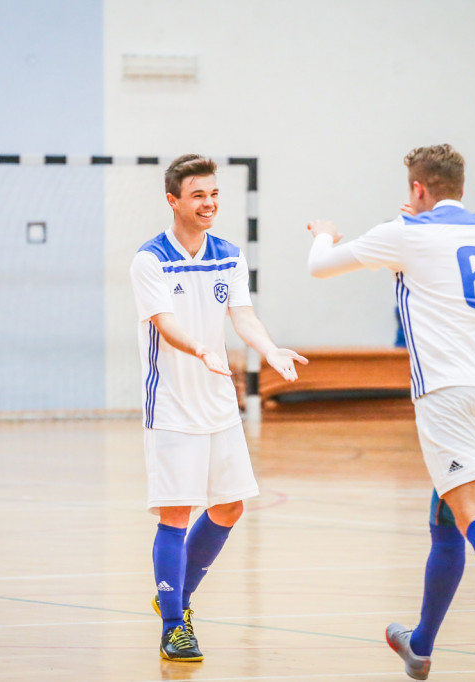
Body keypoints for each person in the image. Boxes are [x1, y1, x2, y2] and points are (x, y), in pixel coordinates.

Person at [305, 144, 475, 681]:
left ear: (418, 189)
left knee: (470, 509)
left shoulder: (403, 232)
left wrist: (324, 232)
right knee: (445, 517)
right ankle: (419, 647)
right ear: (460, 185)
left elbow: (320, 268)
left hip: (446, 392)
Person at [129, 154, 308, 662]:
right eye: (197, 196)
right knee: (177, 512)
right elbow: (165, 322)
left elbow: (243, 314)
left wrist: (269, 349)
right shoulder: (150, 260)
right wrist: (201, 349)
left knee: (228, 506)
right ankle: (173, 627)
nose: (208, 204)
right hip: (171, 404)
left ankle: (177, 598)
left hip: (219, 402)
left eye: (213, 195)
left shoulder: (228, 254)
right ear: (174, 201)